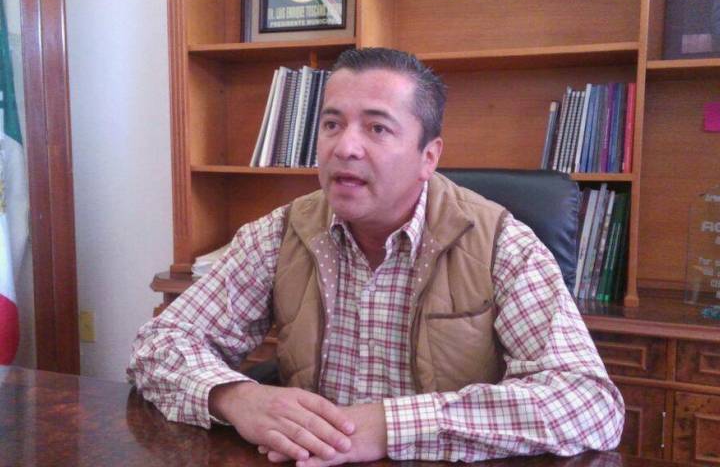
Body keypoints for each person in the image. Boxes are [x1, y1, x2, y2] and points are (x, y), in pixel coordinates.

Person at [127, 48, 624, 466]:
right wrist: (236, 398)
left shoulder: (500, 244)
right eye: (332, 124)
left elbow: (588, 403)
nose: (345, 147)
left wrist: (390, 427)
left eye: (377, 129)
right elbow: (159, 345)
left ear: (428, 157)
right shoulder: (281, 233)